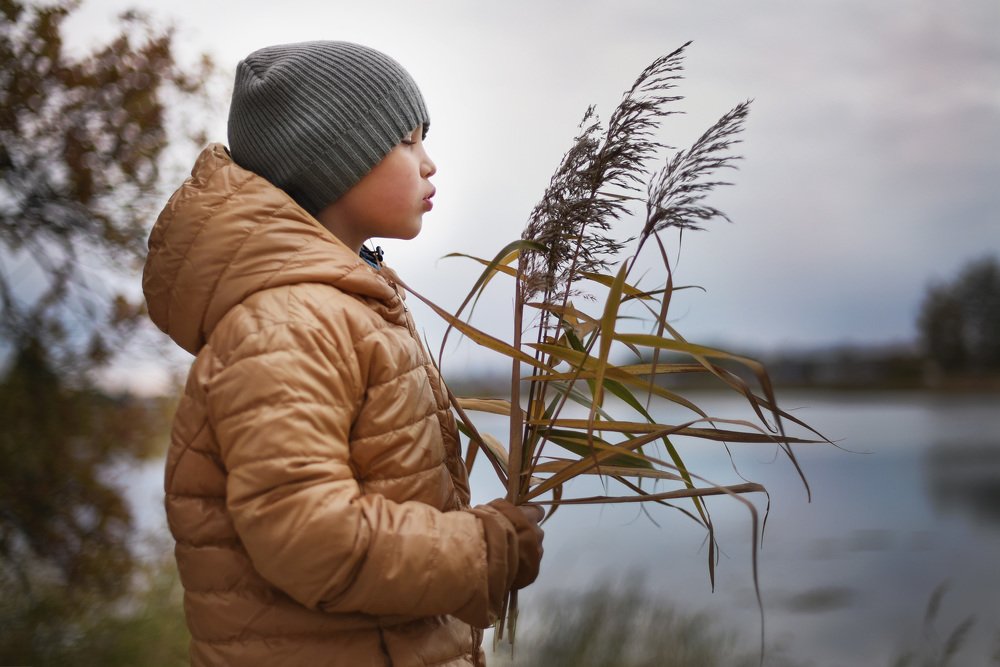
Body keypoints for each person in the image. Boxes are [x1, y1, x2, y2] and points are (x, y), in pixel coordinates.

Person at [142, 41, 544, 667]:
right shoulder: (291, 324)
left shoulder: (342, 303)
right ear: (332, 163)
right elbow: (307, 535)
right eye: (406, 141)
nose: (429, 163)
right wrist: (481, 552)